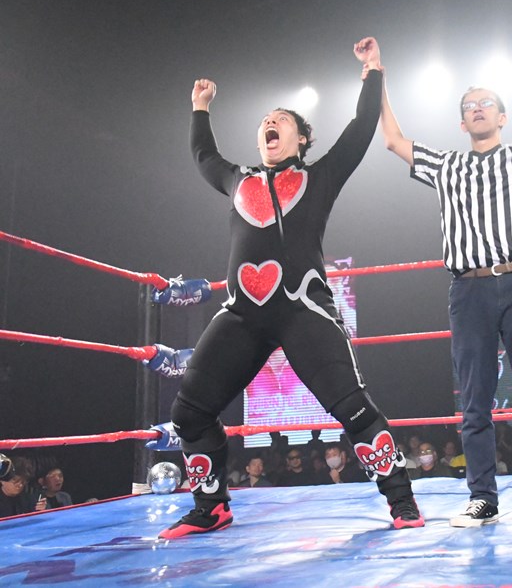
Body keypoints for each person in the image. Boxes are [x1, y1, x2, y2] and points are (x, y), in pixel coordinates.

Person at [158, 38, 422, 539]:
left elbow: (361, 127)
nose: (269, 124)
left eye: (280, 120)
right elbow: (203, 154)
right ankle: (211, 507)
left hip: (304, 310)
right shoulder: (238, 180)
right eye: (265, 121)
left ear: (301, 139)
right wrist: (200, 108)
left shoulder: (320, 177)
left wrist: (372, 71)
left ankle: (402, 502)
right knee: (188, 412)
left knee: (353, 407)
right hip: (243, 314)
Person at [379, 45, 512, 527]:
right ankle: (483, 497)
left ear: (502, 116)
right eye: (469, 106)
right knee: (475, 401)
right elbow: (393, 140)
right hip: (469, 289)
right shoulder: (445, 164)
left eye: (485, 103)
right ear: (462, 123)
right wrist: (375, 75)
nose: (477, 109)